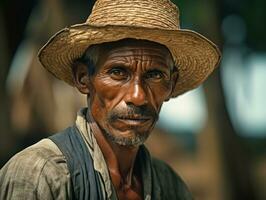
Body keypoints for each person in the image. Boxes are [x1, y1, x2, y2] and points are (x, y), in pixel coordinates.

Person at [0, 0, 221, 199]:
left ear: (171, 85)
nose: (138, 96)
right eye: (118, 72)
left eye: (155, 75)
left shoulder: (169, 185)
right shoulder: (39, 175)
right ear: (83, 78)